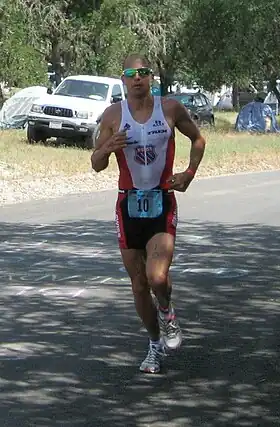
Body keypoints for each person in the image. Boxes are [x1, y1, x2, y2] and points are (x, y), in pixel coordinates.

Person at [91, 54, 206, 374]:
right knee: (139, 284)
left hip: (161, 200)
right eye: (132, 73)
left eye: (144, 73)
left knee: (157, 277)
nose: (138, 78)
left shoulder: (169, 108)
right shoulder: (113, 114)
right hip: (127, 204)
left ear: (151, 77)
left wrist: (189, 173)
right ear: (124, 79)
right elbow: (96, 163)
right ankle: (154, 345)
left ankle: (167, 312)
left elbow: (198, 138)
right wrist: (107, 148)